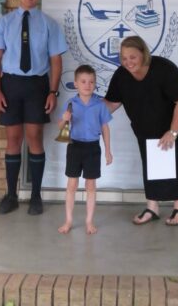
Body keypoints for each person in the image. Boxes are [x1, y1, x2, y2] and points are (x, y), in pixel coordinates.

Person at [0, 0, 67, 215]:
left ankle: (35, 196)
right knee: (13, 139)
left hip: (37, 85)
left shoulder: (49, 24)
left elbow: (56, 61)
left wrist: (53, 91)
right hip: (10, 84)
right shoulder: (5, 22)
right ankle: (11, 195)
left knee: (34, 137)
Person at [105, 35, 178, 226]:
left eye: (133, 57)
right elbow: (111, 103)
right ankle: (152, 208)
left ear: (143, 54)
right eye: (124, 58)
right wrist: (84, 109)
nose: (128, 62)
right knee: (152, 165)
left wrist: (173, 132)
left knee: (177, 163)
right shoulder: (121, 75)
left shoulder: (164, 69)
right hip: (146, 127)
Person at [58, 65, 113, 234]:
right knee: (72, 184)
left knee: (91, 185)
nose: (87, 85)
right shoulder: (70, 104)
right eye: (83, 81)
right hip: (74, 146)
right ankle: (68, 220)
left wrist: (108, 150)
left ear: (95, 84)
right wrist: (65, 119)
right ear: (76, 84)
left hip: (92, 148)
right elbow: (61, 128)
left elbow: (105, 128)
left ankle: (89, 221)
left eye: (91, 82)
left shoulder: (100, 104)